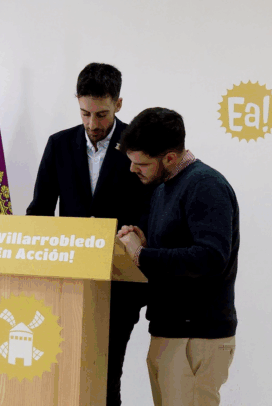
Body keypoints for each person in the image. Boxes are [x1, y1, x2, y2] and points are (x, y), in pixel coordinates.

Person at [27, 63, 151, 406]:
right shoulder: (59, 144)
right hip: (68, 281)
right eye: (85, 113)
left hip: (120, 284)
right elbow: (39, 211)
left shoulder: (139, 145)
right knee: (65, 373)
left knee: (107, 376)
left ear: (118, 104)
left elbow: (150, 209)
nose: (93, 124)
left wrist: (138, 237)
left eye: (102, 114)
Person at [116, 107, 239, 406]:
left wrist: (142, 255)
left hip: (195, 337)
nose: (133, 170)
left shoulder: (205, 185)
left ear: (170, 158)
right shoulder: (164, 187)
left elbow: (210, 257)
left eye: (141, 163)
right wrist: (147, 244)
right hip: (169, 333)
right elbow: (178, 250)